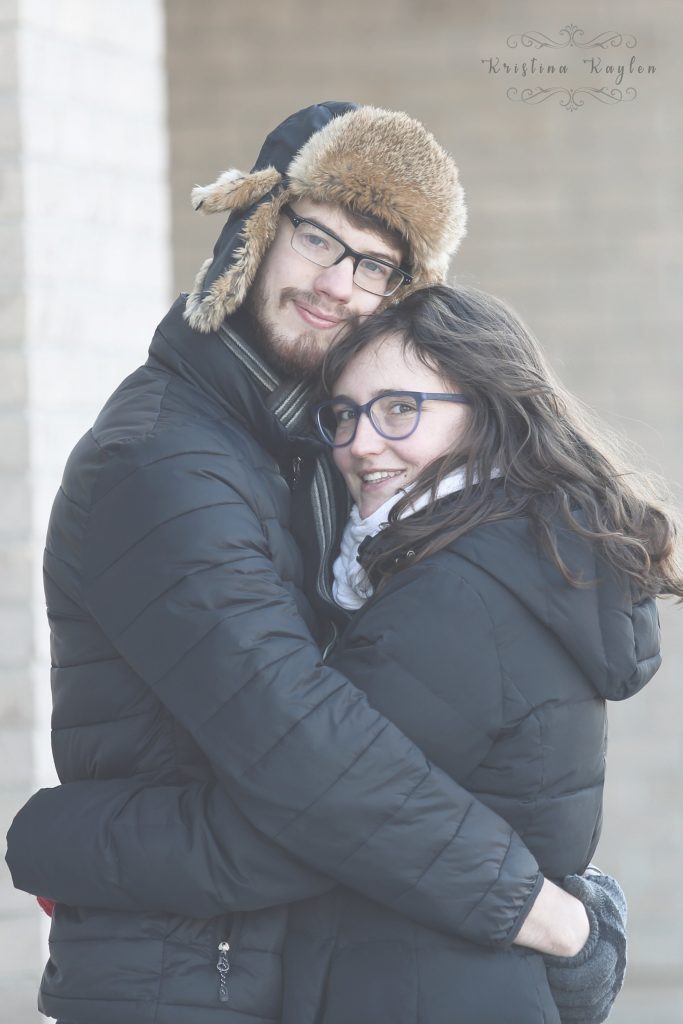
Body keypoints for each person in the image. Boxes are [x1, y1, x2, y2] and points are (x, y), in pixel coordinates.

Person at [4, 103, 662, 1024]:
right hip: (186, 977)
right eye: (319, 237)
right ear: (255, 228)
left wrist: (64, 839)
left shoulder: (317, 465)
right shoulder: (164, 458)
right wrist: (546, 912)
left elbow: (338, 765)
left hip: (264, 958)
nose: (339, 284)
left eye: (376, 265)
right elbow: (306, 755)